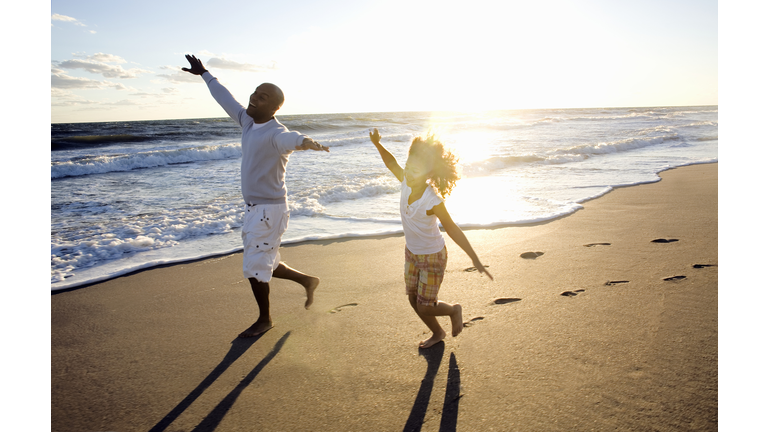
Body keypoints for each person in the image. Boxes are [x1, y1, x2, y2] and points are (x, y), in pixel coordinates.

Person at [182, 54, 330, 338]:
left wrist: (306, 142)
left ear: (274, 108)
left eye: (262, 97)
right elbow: (225, 98)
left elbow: (292, 139)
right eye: (254, 93)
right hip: (255, 210)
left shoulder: (276, 133)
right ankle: (307, 281)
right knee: (267, 262)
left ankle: (265, 319)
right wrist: (205, 74)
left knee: (254, 267)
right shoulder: (248, 122)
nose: (254, 99)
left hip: (269, 212)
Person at [368, 128, 493, 348]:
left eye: (416, 170)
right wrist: (378, 144)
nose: (408, 172)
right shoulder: (406, 182)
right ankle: (438, 333)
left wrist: (474, 258)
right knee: (412, 298)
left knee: (425, 305)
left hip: (433, 256)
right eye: (408, 166)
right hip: (412, 253)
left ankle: (454, 310)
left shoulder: (432, 200)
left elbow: (452, 229)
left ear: (429, 173)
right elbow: (391, 163)